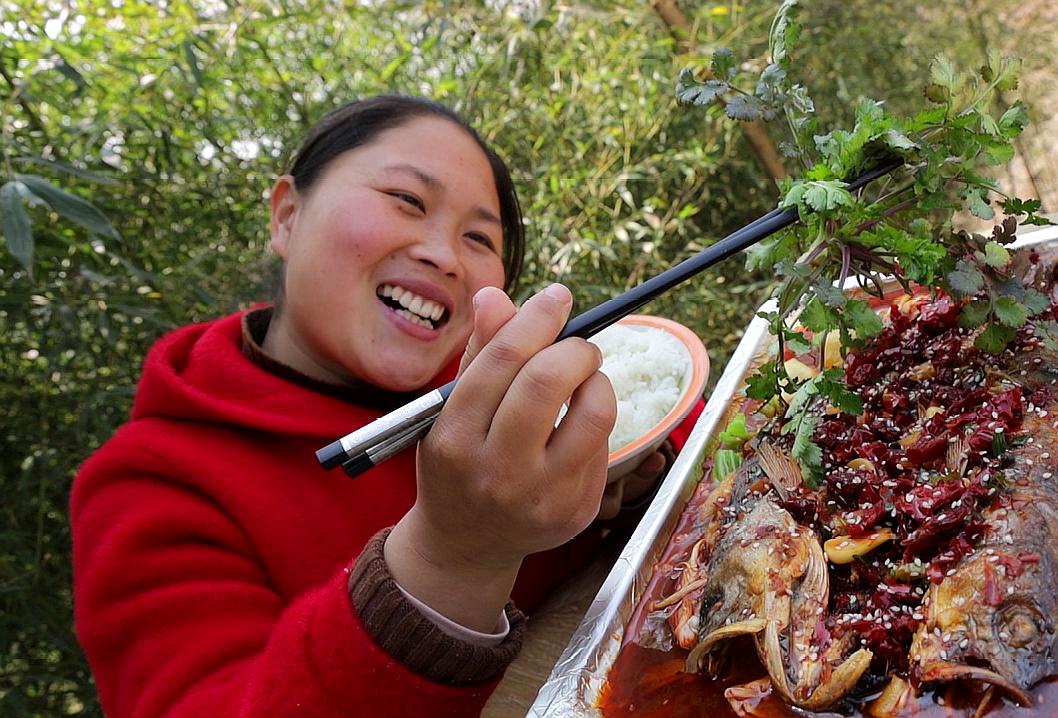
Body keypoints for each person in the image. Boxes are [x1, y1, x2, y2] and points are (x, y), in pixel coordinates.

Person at [71, 95, 699, 716]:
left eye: (479, 237)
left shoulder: (491, 389)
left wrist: (636, 480)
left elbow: (692, 452)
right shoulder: (148, 481)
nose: (444, 255)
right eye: (407, 201)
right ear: (287, 215)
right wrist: (452, 558)